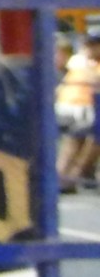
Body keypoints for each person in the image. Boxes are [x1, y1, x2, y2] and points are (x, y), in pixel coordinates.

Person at [56, 32, 100, 192]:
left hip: (86, 107)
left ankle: (75, 176)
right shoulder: (81, 61)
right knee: (74, 142)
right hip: (74, 107)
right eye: (88, 45)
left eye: (93, 46)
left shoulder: (89, 64)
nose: (89, 49)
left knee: (88, 142)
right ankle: (64, 178)